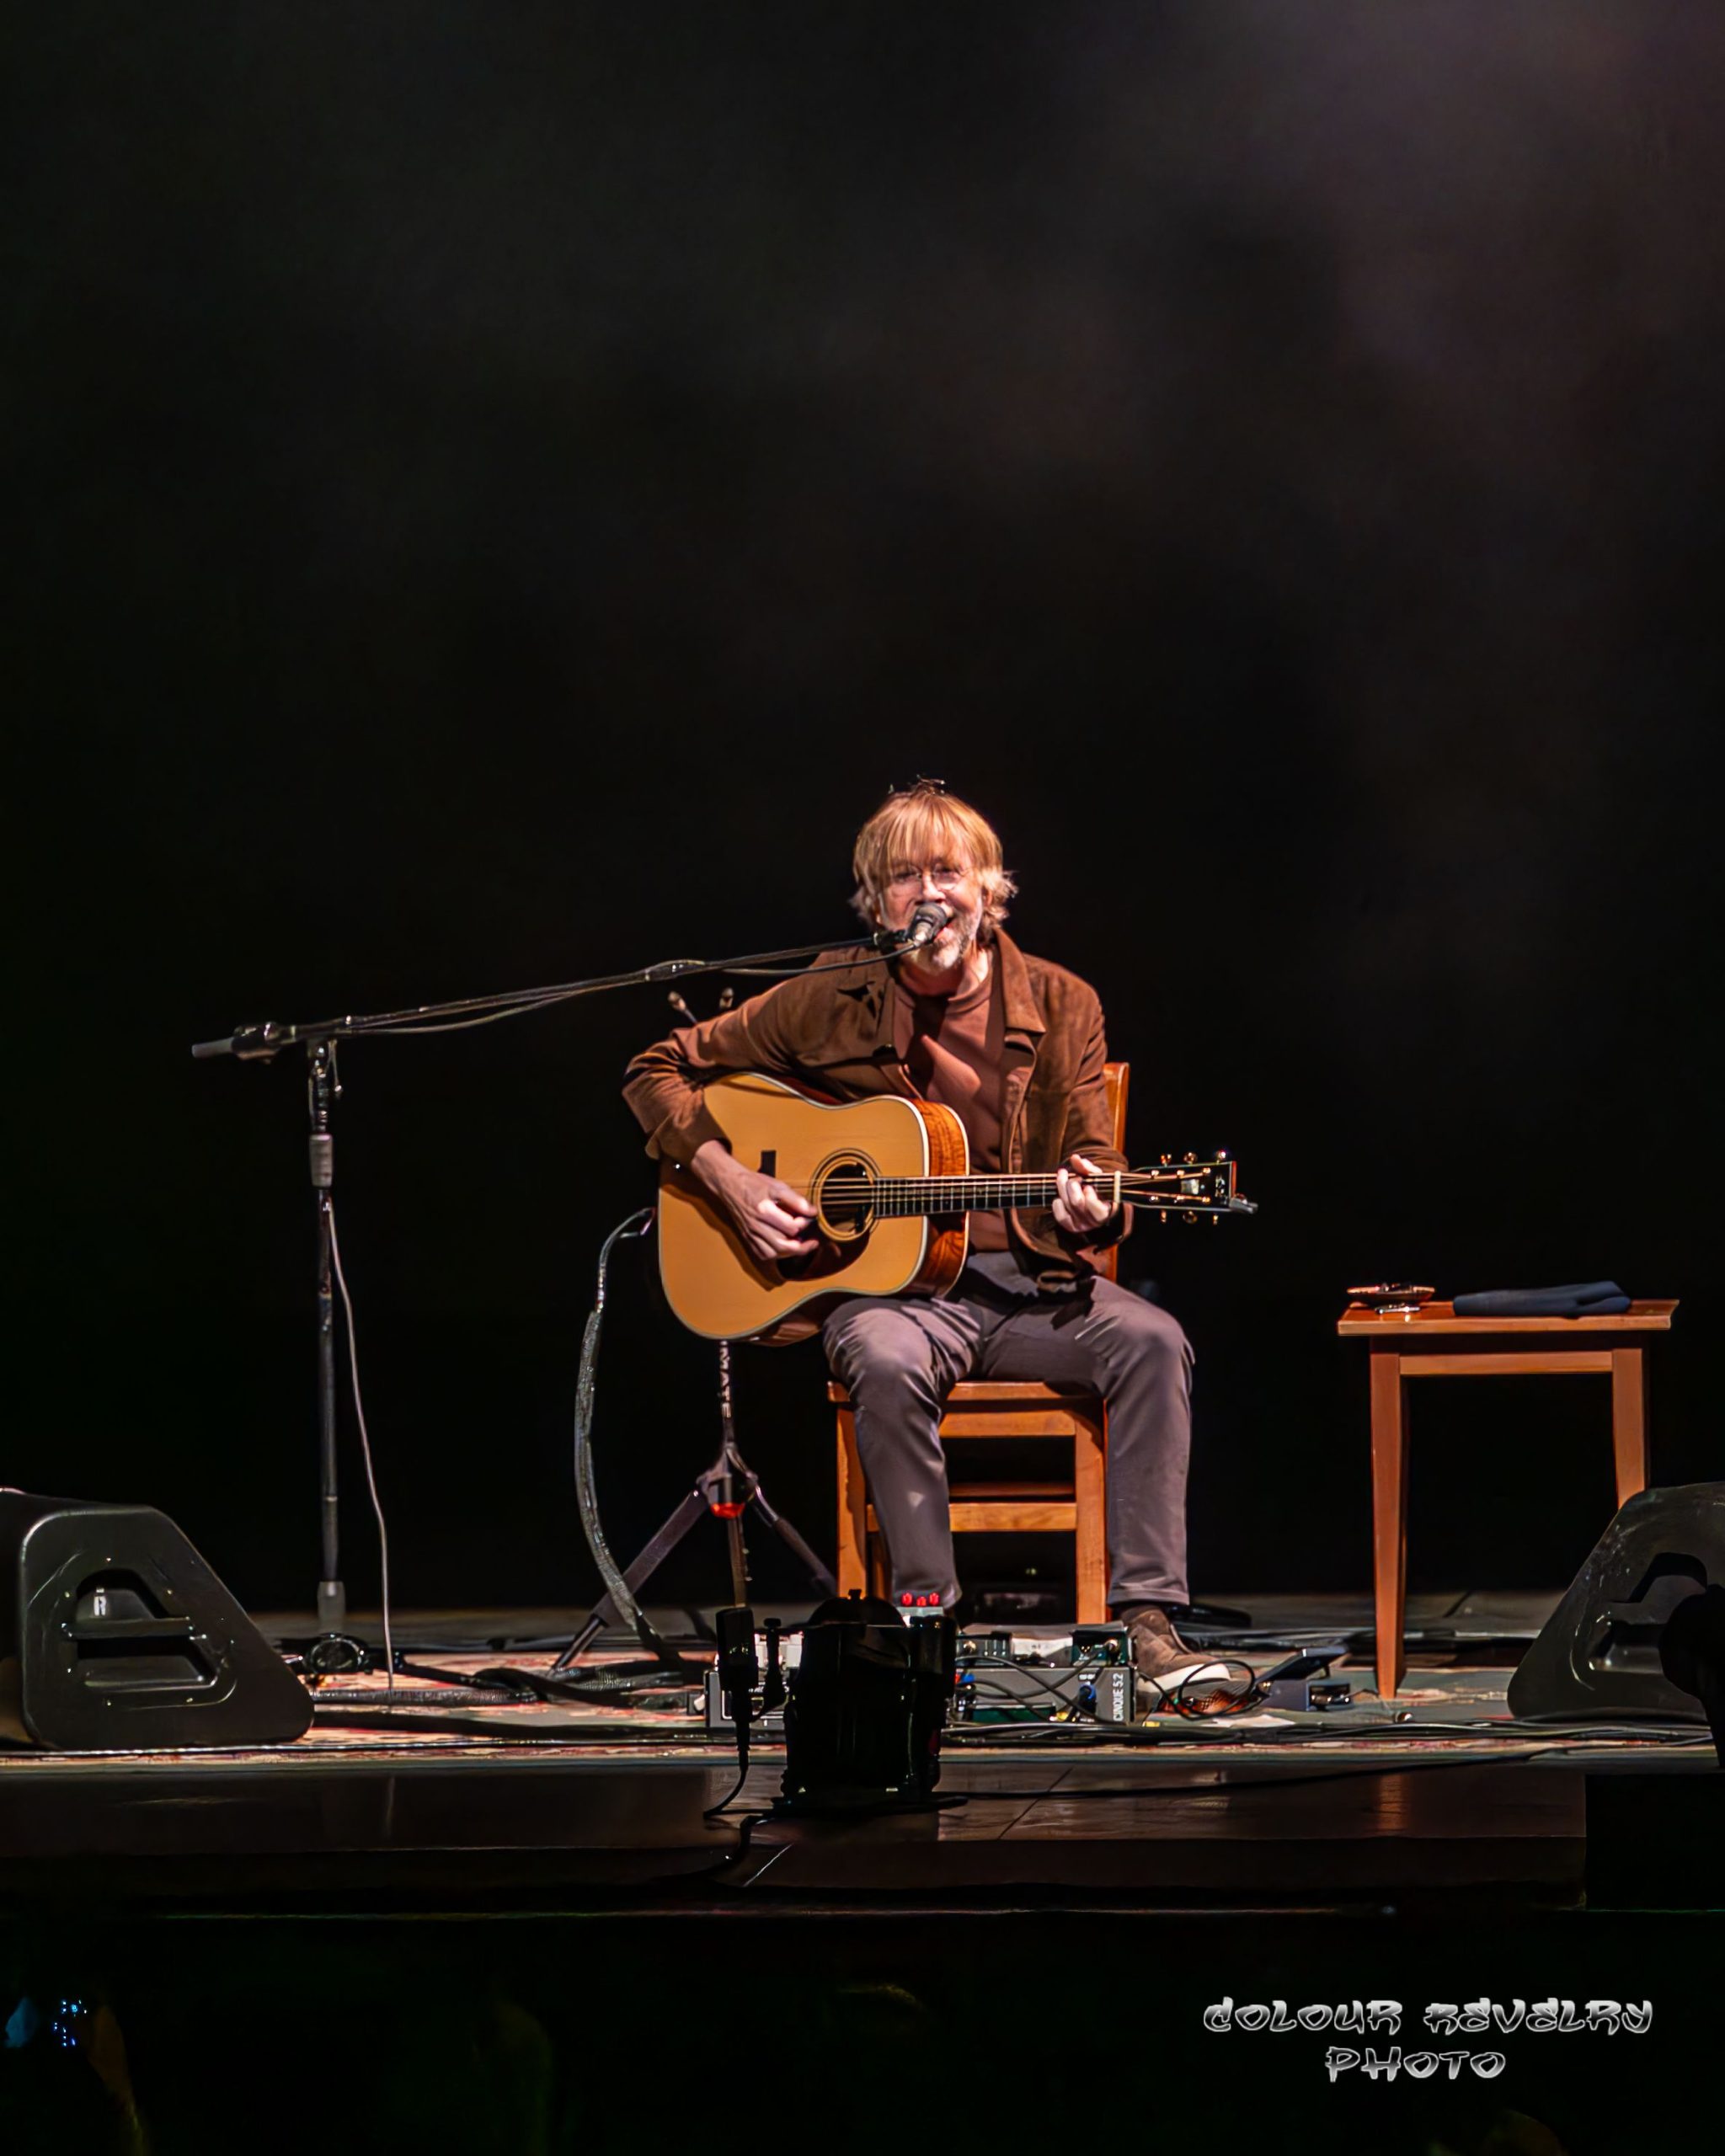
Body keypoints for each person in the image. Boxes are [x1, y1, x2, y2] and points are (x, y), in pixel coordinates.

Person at [622, 782, 1201, 1692]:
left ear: (988, 888)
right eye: (902, 877)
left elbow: (1097, 1157)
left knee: (1153, 1342)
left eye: (947, 871)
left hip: (1030, 1288)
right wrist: (730, 1180)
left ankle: (1149, 1621)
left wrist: (1098, 1202)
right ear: (874, 901)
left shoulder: (1063, 1003)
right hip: (894, 1297)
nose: (928, 892)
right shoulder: (827, 995)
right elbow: (656, 1067)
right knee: (883, 1359)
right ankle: (930, 1622)